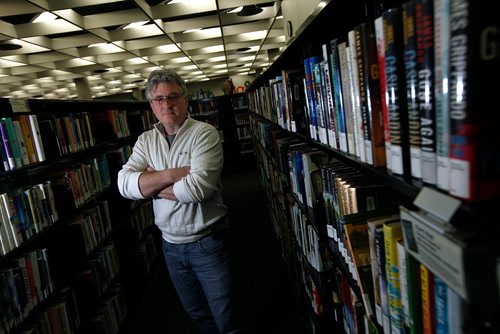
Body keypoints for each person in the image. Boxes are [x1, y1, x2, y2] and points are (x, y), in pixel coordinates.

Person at [117, 69, 247, 334]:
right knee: (196, 312)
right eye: (159, 99)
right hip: (170, 246)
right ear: (152, 105)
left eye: (173, 96)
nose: (167, 104)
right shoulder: (145, 140)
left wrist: (150, 183)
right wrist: (174, 175)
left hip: (207, 242)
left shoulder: (204, 134)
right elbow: (124, 185)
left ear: (186, 100)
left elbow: (197, 189)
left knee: (226, 314)